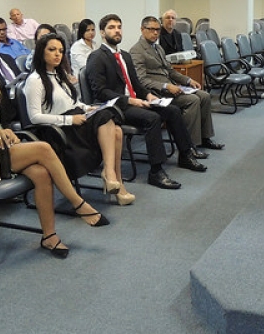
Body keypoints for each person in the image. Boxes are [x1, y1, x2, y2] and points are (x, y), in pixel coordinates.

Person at [0, 33, 109, 259]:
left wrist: (7, 131)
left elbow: (7, 121)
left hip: (1, 149)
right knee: (43, 148)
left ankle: (49, 236)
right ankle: (77, 203)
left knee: (41, 173)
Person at [85, 14, 209, 190]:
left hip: (134, 100)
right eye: (111, 27)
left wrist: (149, 95)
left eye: (119, 27)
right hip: (116, 106)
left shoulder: (125, 56)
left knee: (172, 110)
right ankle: (156, 171)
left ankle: (185, 154)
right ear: (102, 33)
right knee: (152, 119)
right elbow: (101, 92)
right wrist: (131, 101)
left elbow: (137, 84)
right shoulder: (97, 57)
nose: (117, 30)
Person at [25, 33, 134, 205]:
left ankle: (113, 179)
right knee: (112, 125)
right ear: (40, 52)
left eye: (60, 51)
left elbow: (73, 102)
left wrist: (87, 108)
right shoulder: (35, 80)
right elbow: (35, 117)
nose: (57, 54)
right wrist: (70, 120)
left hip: (75, 120)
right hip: (59, 130)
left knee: (116, 129)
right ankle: (113, 180)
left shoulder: (60, 75)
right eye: (52, 50)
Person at [131, 16, 223, 151]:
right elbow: (141, 80)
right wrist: (166, 86)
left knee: (204, 96)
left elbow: (170, 71)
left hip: (171, 87)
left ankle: (205, 138)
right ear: (142, 30)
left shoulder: (158, 48)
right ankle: (189, 145)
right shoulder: (137, 51)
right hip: (157, 93)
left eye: (158, 30)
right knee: (192, 100)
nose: (155, 33)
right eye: (151, 29)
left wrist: (188, 80)